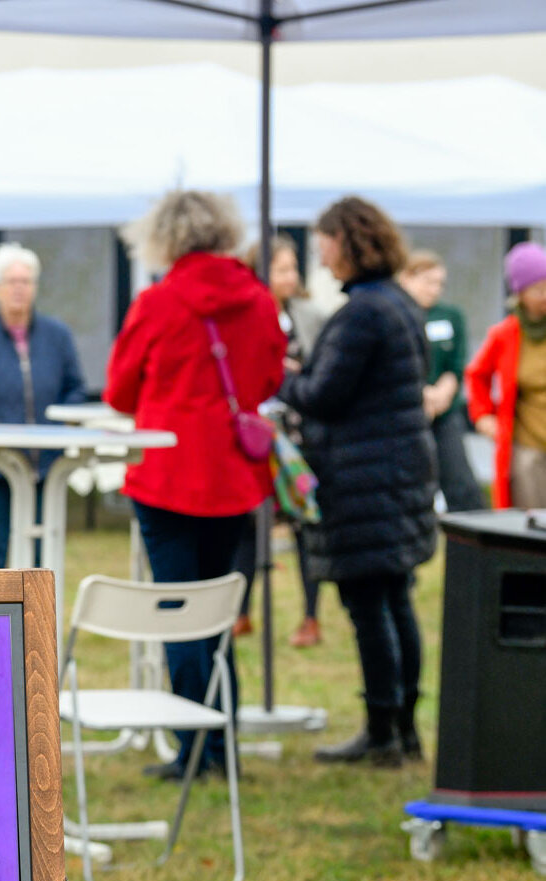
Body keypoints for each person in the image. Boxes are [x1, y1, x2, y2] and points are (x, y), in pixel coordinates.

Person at [105, 190, 284, 780]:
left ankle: (192, 750)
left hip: (167, 475)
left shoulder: (157, 302)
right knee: (216, 613)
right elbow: (269, 377)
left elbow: (120, 392)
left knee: (177, 611)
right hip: (235, 476)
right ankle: (221, 745)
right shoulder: (257, 299)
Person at [278, 196, 437, 767]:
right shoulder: (397, 303)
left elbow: (324, 396)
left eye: (324, 243)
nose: (320, 255)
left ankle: (381, 733)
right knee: (395, 601)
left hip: (365, 478)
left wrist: (283, 376)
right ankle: (405, 729)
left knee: (370, 605)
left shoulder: (362, 313)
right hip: (399, 472)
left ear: (348, 241)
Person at [0, 243, 88, 568]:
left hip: (48, 466)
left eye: (26, 281)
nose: (19, 289)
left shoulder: (58, 335)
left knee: (42, 556)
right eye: (12, 282)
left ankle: (40, 618)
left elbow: (75, 389)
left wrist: (55, 429)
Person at [231, 236, 329, 648]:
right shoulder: (244, 315)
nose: (291, 277)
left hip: (298, 435)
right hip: (254, 435)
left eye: (293, 269)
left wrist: (295, 371)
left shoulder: (309, 316)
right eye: (282, 269)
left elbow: (323, 372)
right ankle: (240, 612)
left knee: (305, 522)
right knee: (248, 526)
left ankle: (310, 616)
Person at [398, 249, 485, 512]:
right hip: (408, 411)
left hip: (445, 410)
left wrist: (442, 393)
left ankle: (471, 543)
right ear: (406, 278)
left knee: (460, 480)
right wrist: (421, 394)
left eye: (440, 283)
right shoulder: (396, 314)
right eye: (428, 281)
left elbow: (457, 364)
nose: (434, 289)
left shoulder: (450, 315)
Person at [466, 241, 546, 510]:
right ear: (520, 293)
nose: (545, 294)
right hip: (529, 448)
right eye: (537, 289)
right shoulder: (506, 335)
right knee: (531, 526)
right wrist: (484, 416)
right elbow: (476, 375)